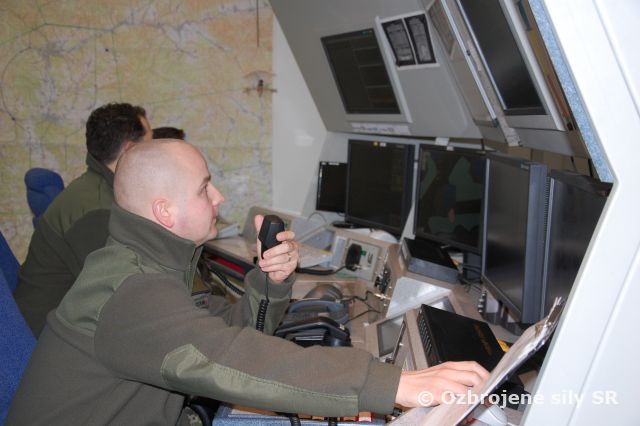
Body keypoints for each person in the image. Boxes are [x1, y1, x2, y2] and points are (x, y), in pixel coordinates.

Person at [7, 140, 488, 425]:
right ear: (164, 211)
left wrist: (270, 280)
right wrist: (394, 384)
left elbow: (232, 332)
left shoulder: (153, 264)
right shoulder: (132, 292)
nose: (218, 197)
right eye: (204, 187)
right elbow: (234, 360)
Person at [13, 102, 153, 336]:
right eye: (150, 144)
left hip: (57, 325)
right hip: (47, 338)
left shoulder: (95, 191)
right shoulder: (98, 212)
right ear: (129, 150)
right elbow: (120, 296)